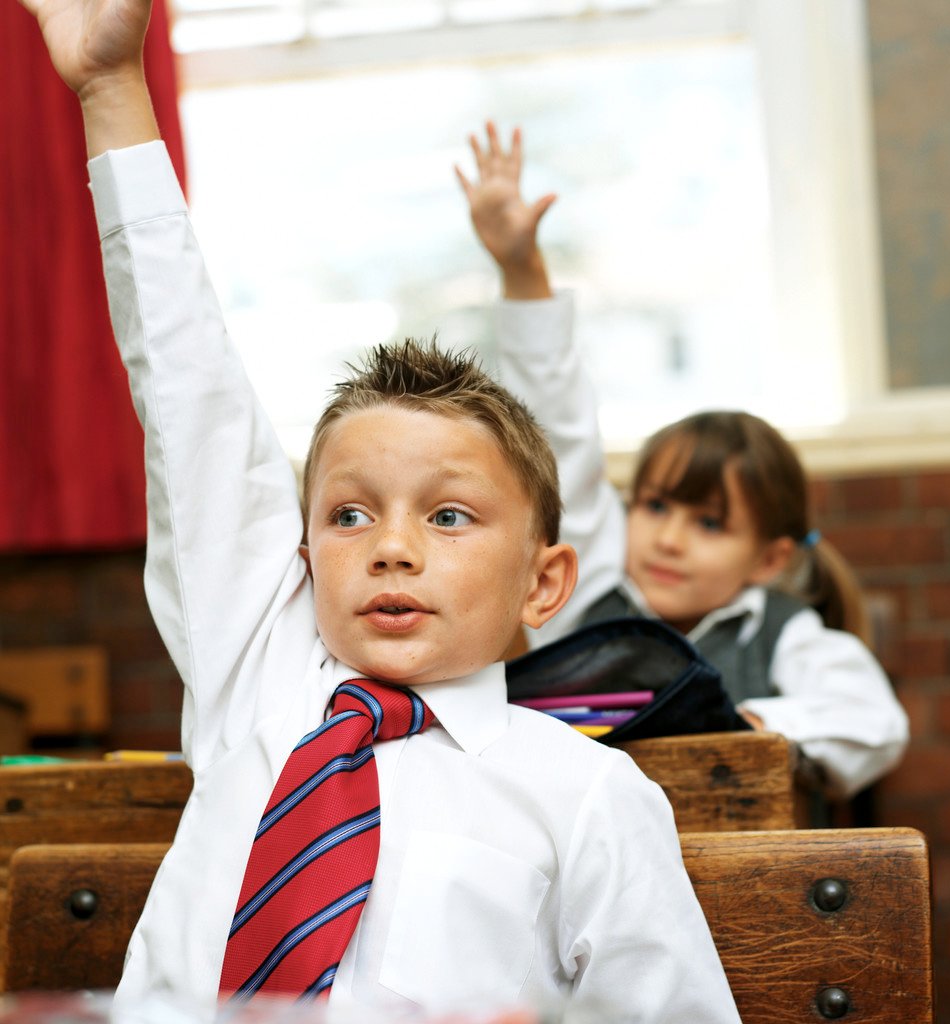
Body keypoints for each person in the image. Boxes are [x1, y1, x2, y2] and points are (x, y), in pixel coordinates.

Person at [17, 1, 745, 1021]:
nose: (392, 547)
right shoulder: (259, 680)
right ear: (302, 553)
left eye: (448, 518)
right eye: (351, 517)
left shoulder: (587, 798)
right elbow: (190, 392)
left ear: (544, 579)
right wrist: (109, 90)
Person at [456, 123, 909, 802]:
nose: (669, 538)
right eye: (657, 507)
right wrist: (523, 273)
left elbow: (875, 726)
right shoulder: (591, 582)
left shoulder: (789, 637)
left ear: (767, 559)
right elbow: (558, 433)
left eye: (711, 525)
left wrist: (746, 726)